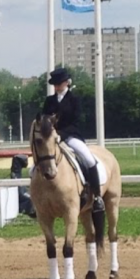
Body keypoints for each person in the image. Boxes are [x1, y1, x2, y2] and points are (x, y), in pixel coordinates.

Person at [42, 67, 104, 212]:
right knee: (37, 165)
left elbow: (76, 122)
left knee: (88, 159)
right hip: (51, 138)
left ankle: (97, 197)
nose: (56, 87)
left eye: (59, 83)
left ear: (66, 83)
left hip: (70, 136)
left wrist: (61, 134)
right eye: (55, 84)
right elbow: (44, 119)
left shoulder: (74, 100)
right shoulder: (49, 101)